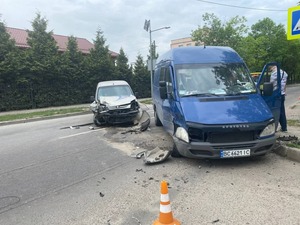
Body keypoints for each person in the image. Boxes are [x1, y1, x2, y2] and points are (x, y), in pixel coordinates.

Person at [270, 65, 288, 132]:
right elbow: (285, 83)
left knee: (275, 111)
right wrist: (284, 91)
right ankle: (284, 127)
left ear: (273, 67)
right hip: (282, 94)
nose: (271, 70)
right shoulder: (284, 73)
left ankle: (275, 128)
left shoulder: (274, 73)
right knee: (282, 110)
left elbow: (271, 84)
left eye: (271, 69)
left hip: (275, 94)